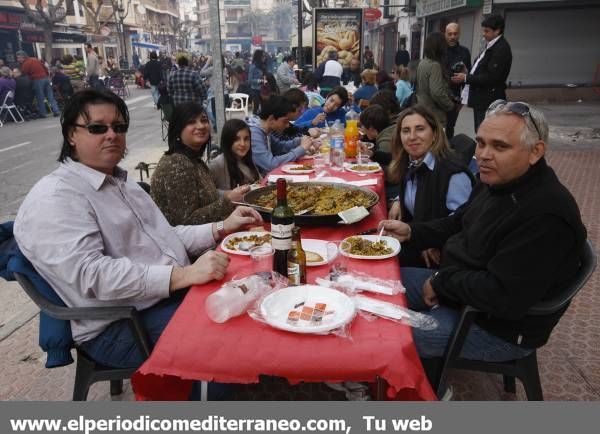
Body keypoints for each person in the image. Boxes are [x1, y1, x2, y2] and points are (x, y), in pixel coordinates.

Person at [13, 88, 262, 399]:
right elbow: (93, 275)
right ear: (71, 135)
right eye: (97, 128)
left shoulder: (121, 182)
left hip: (160, 297)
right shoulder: (56, 198)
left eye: (118, 127)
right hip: (119, 325)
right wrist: (183, 276)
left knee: (253, 292)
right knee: (225, 337)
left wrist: (222, 227)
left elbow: (165, 236)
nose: (111, 135)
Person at [379, 101, 587, 387]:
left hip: (494, 326)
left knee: (383, 333)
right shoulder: (497, 181)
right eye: (481, 143)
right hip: (460, 287)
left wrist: (441, 284)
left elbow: (501, 295)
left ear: (535, 152)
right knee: (380, 282)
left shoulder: (546, 215)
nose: (483, 156)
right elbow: (457, 221)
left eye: (500, 147)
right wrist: (412, 232)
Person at [385, 105, 474, 267]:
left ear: (434, 134)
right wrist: (399, 199)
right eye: (406, 131)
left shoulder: (453, 174)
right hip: (418, 241)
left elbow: (463, 224)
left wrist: (431, 241)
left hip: (442, 259)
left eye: (419, 129)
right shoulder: (411, 162)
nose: (412, 137)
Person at [151, 103, 248, 226]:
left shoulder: (195, 160)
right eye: (191, 122)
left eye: (204, 120)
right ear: (178, 129)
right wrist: (228, 201)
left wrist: (229, 194)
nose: (201, 126)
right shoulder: (176, 163)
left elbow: (207, 197)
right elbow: (186, 222)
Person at [452, 14, 512, 133]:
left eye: (487, 31)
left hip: (488, 100)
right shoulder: (491, 45)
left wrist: (466, 78)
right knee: (479, 131)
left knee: (484, 133)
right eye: (483, 30)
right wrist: (468, 72)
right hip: (481, 99)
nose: (484, 34)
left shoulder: (501, 49)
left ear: (497, 31)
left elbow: (491, 77)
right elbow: (482, 69)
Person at [248, 95, 314, 174]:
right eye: (285, 121)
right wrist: (301, 149)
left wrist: (300, 141)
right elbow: (270, 164)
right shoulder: (254, 133)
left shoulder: (265, 129)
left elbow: (280, 147)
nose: (287, 125)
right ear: (271, 119)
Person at [209, 119, 261, 190]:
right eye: (237, 139)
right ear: (227, 141)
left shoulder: (248, 159)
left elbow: (260, 182)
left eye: (246, 139)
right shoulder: (217, 165)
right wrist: (227, 195)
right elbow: (207, 193)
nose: (243, 144)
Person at [415, 32, 455, 126]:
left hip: (422, 108)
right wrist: (450, 105)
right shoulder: (435, 65)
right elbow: (437, 92)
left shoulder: (423, 62)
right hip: (434, 112)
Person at [444, 22, 472, 139]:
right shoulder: (440, 51)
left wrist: (463, 100)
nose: (452, 36)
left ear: (459, 34)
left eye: (455, 34)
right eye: (449, 34)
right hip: (439, 93)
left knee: (450, 127)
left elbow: (468, 76)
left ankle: (448, 152)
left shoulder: (464, 52)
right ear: (445, 34)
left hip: (455, 95)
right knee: (437, 126)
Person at [16, 50, 60, 118]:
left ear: (23, 57)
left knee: (40, 97)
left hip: (37, 80)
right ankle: (56, 111)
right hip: (45, 78)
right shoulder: (35, 59)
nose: (18, 59)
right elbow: (45, 68)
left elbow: (23, 73)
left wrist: (16, 75)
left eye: (19, 58)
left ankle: (43, 113)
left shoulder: (26, 63)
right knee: (50, 96)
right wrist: (47, 76)